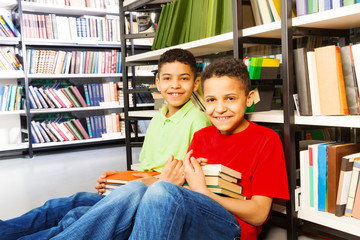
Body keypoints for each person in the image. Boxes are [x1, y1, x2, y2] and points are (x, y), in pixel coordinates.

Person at [48, 57, 289, 240]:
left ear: (249, 98)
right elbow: (182, 188)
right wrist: (160, 181)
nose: (220, 108)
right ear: (203, 101)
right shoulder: (202, 136)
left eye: (230, 98)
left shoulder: (266, 139)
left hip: (231, 226)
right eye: (212, 100)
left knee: (157, 193)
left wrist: (203, 192)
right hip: (191, 211)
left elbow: (259, 214)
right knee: (103, 202)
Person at [0, 48, 211, 240]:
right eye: (167, 78)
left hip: (153, 196)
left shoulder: (199, 121)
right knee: (59, 205)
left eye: (183, 79)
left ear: (195, 83)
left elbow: (189, 180)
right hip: (136, 187)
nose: (174, 85)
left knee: (75, 216)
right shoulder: (157, 118)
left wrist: (148, 181)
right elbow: (146, 168)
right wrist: (118, 178)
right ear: (157, 83)